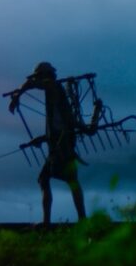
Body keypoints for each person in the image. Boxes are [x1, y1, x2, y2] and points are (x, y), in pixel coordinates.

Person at [7, 61, 86, 225]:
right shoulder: (53, 93)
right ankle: (65, 221)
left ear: (45, 76)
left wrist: (18, 94)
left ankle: (53, 223)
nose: (38, 80)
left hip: (63, 143)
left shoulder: (53, 87)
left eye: (40, 77)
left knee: (57, 179)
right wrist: (42, 139)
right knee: (51, 179)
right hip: (58, 140)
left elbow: (34, 84)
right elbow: (55, 126)